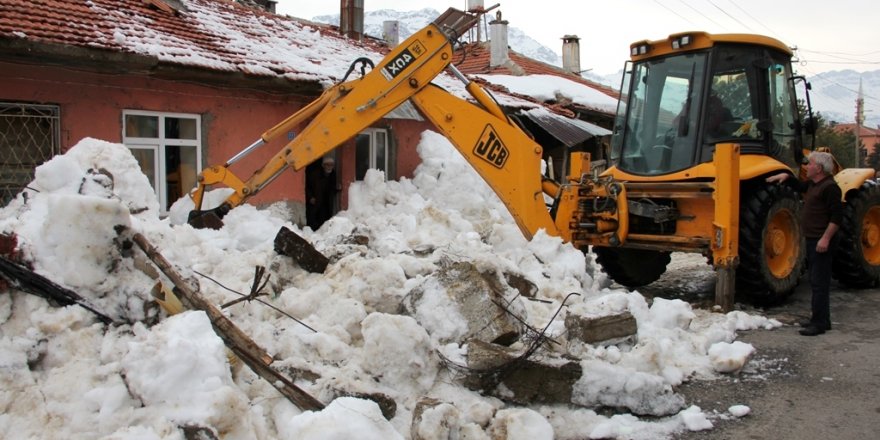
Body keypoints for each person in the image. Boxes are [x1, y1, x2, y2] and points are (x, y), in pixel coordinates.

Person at [766, 151, 842, 336]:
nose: (807, 166)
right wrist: (786, 176)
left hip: (821, 241)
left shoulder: (830, 188)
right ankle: (821, 319)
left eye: (810, 164)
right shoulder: (813, 184)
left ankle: (820, 324)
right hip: (812, 239)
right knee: (817, 281)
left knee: (819, 283)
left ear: (820, 168)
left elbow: (836, 217)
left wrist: (825, 238)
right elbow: (800, 185)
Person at [306, 155, 339, 230]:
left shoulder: (333, 174)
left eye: (331, 165)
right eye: (327, 165)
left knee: (324, 218)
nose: (329, 167)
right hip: (315, 200)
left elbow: (332, 187)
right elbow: (307, 187)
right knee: (312, 218)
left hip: (326, 201)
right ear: (323, 165)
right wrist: (310, 197)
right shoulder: (315, 174)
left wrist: (337, 188)